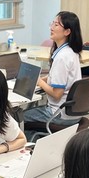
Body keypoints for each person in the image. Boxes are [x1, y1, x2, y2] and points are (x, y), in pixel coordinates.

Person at [23, 11, 84, 140]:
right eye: (52, 23)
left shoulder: (62, 57)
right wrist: (44, 79)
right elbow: (62, 78)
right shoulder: (71, 52)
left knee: (19, 117)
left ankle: (30, 147)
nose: (51, 27)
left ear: (67, 31)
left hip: (59, 114)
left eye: (56, 25)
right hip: (74, 112)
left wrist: (40, 82)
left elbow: (57, 94)